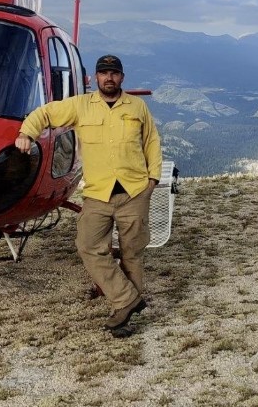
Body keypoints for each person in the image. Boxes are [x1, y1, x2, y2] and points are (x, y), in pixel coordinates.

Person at [15, 53, 161, 335]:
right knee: (88, 246)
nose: (109, 78)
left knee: (132, 252)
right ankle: (128, 299)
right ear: (96, 78)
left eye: (114, 73)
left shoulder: (137, 106)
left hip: (134, 190)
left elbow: (151, 142)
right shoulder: (81, 106)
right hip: (97, 192)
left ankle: (124, 316)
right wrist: (27, 133)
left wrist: (152, 180)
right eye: (104, 73)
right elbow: (44, 113)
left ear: (122, 77)